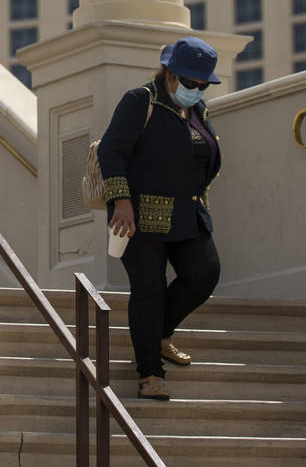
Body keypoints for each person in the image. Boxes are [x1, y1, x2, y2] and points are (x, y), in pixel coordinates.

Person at [97, 36, 223, 402]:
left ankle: (160, 334)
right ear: (169, 73)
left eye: (203, 84)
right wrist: (120, 200)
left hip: (188, 212)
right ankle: (150, 372)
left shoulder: (197, 109)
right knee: (149, 291)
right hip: (139, 215)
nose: (196, 89)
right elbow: (111, 150)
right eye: (190, 83)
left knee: (204, 275)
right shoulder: (140, 100)